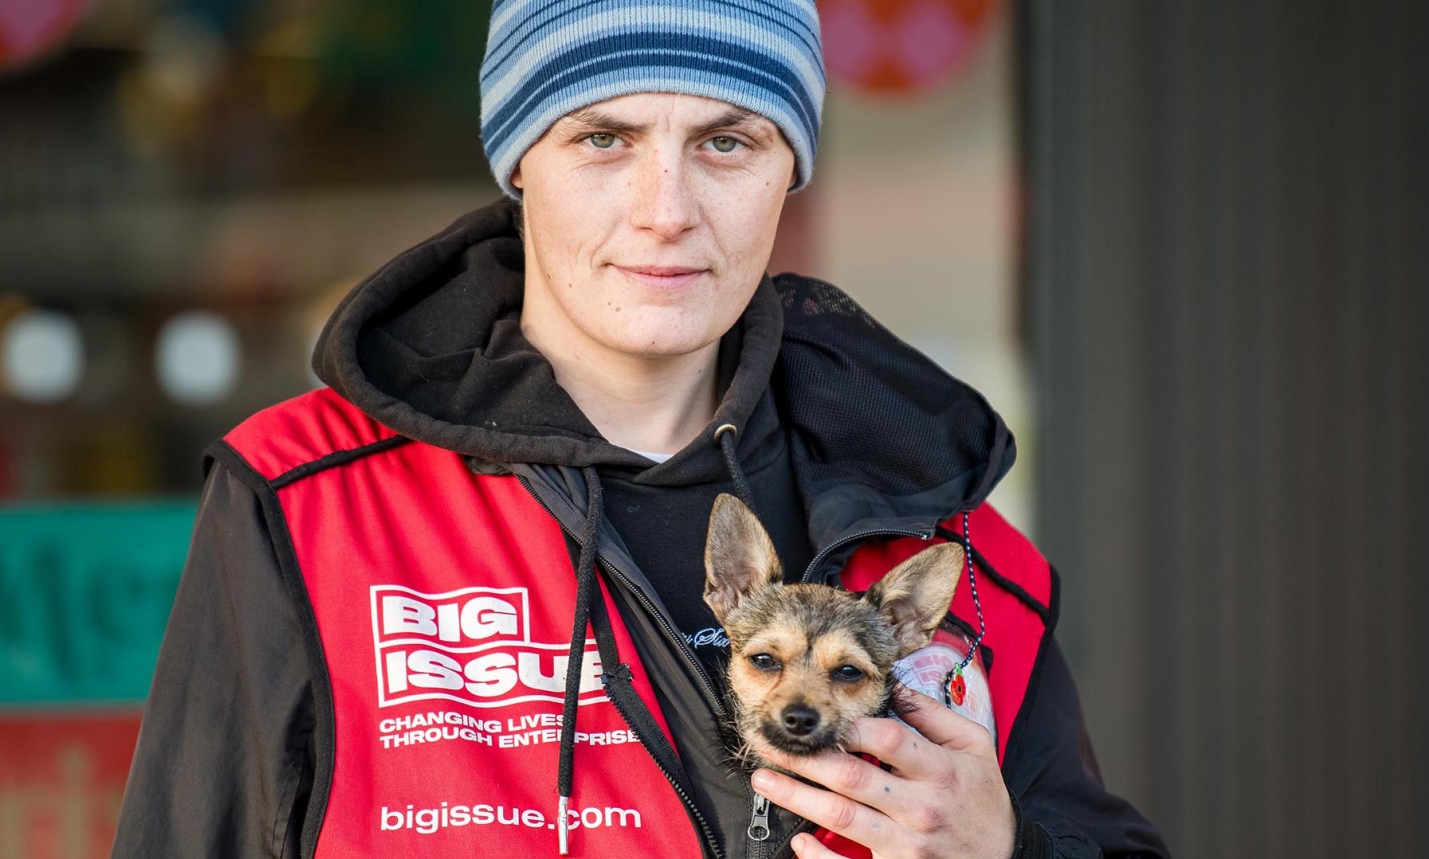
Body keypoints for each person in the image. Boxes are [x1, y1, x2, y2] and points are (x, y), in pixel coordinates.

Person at [113, 2, 1168, 857]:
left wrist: (1008, 852)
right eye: (604, 137)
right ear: (520, 162)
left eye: (726, 140)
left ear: (785, 176)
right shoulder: (307, 503)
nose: (666, 207)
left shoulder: (952, 540)